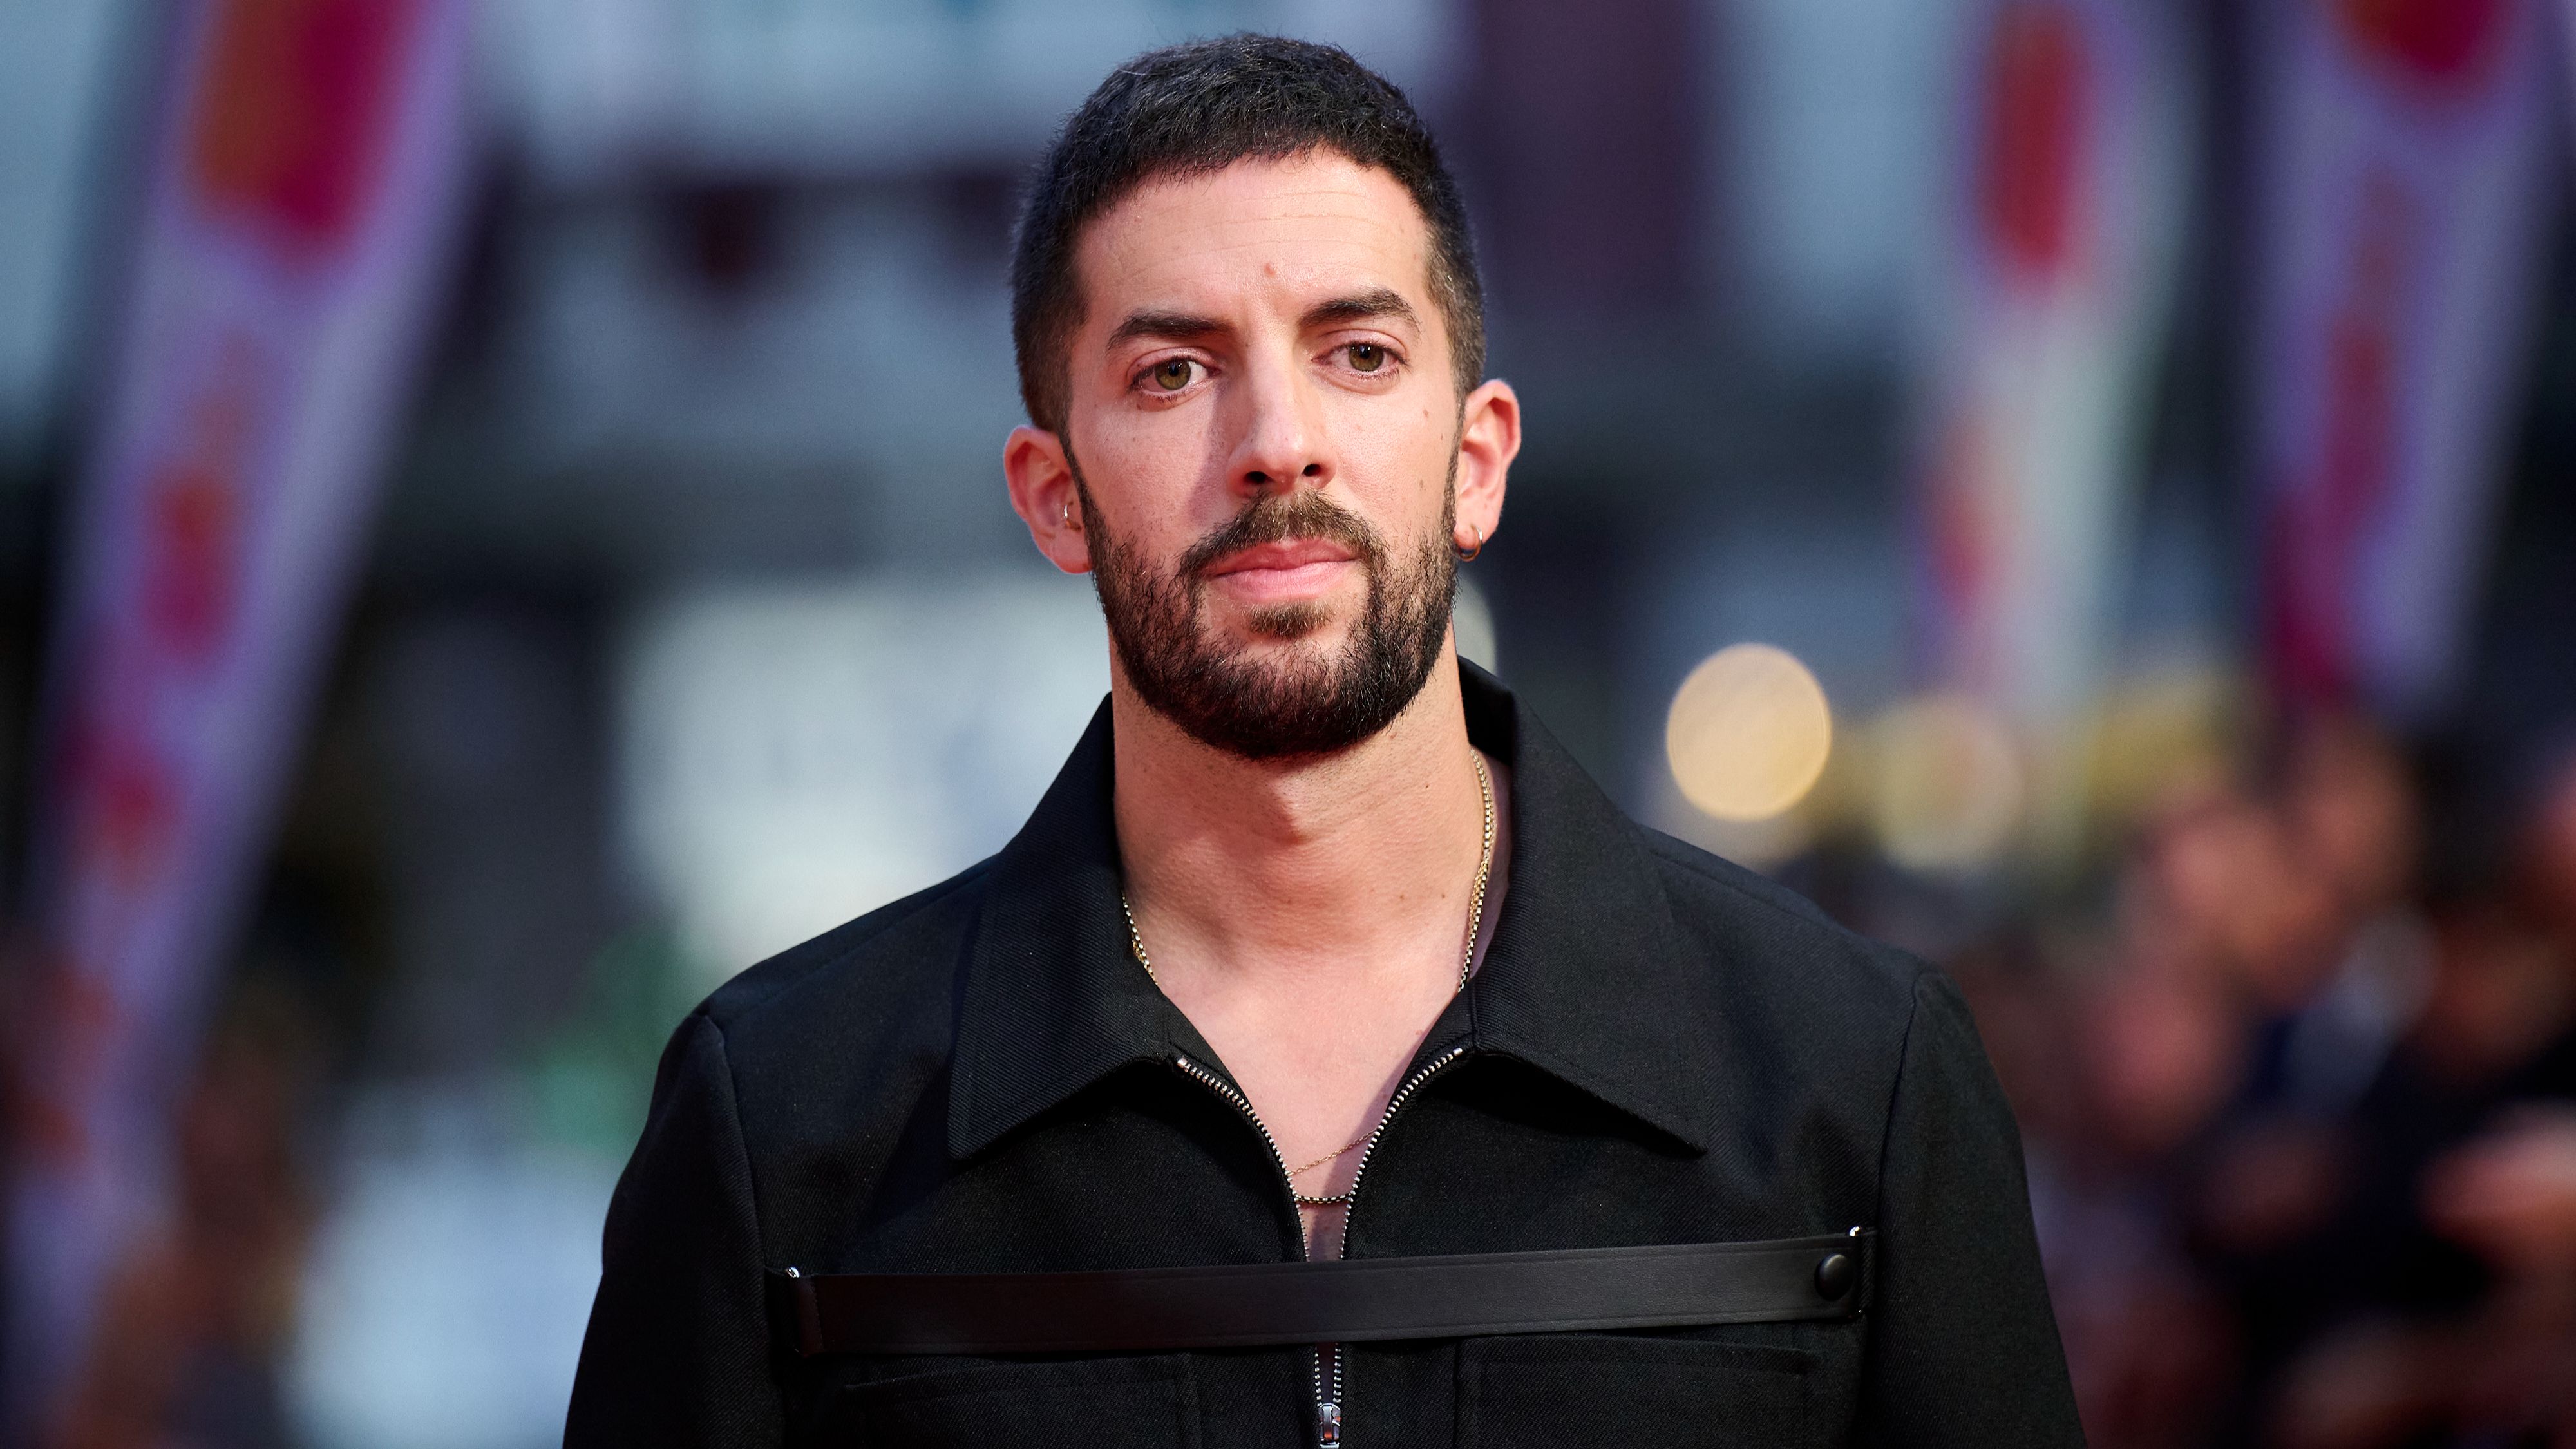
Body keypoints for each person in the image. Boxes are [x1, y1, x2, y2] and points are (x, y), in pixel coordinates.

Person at [565, 35, 2080, 1448]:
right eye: (1173, 372)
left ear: (1474, 459)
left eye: (1355, 353)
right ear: (1052, 496)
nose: (1275, 443)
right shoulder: (788, 1121)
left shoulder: (1850, 1073)